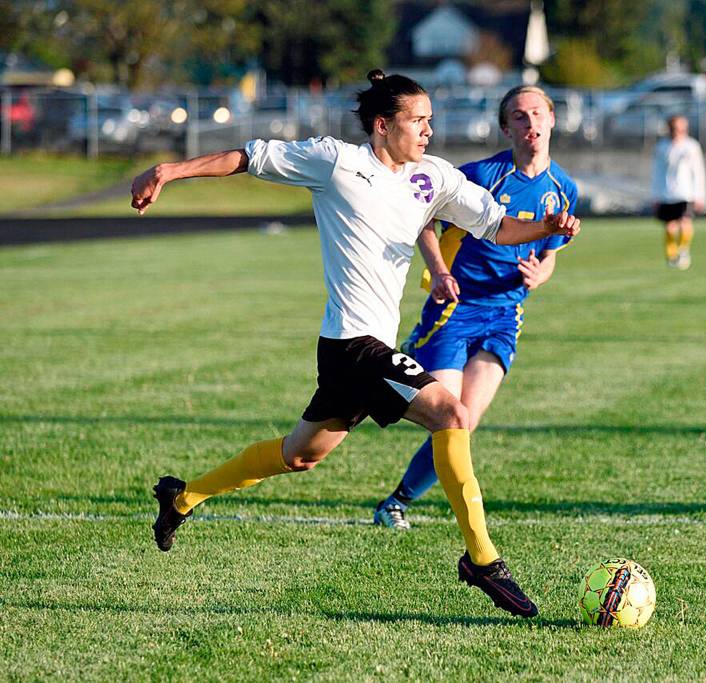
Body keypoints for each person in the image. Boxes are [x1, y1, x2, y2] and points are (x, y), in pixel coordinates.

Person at [130, 70, 580, 619]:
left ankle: (181, 498)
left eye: (431, 121)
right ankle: (482, 561)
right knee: (452, 414)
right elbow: (248, 156)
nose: (429, 132)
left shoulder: (434, 177)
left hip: (357, 350)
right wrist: (170, 170)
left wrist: (547, 226)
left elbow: (496, 225)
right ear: (383, 125)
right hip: (354, 346)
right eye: (419, 121)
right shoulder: (336, 161)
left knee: (301, 455)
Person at [372, 85, 577, 532]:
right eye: (519, 117)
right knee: (446, 414)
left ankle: (396, 502)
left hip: (505, 316)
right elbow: (423, 220)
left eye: (537, 113)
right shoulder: (481, 175)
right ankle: (380, 384)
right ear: (506, 128)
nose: (531, 123)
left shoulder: (564, 187)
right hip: (456, 309)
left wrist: (542, 273)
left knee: (464, 421)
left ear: (552, 119)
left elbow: (550, 250)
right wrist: (439, 270)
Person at [651, 114, 706, 270]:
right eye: (675, 128)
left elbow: (698, 171)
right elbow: (657, 172)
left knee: (685, 223)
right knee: (670, 227)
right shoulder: (662, 147)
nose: (679, 132)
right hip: (667, 193)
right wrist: (655, 195)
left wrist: (699, 195)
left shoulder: (692, 146)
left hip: (686, 193)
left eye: (682, 128)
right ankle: (671, 254)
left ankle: (683, 250)